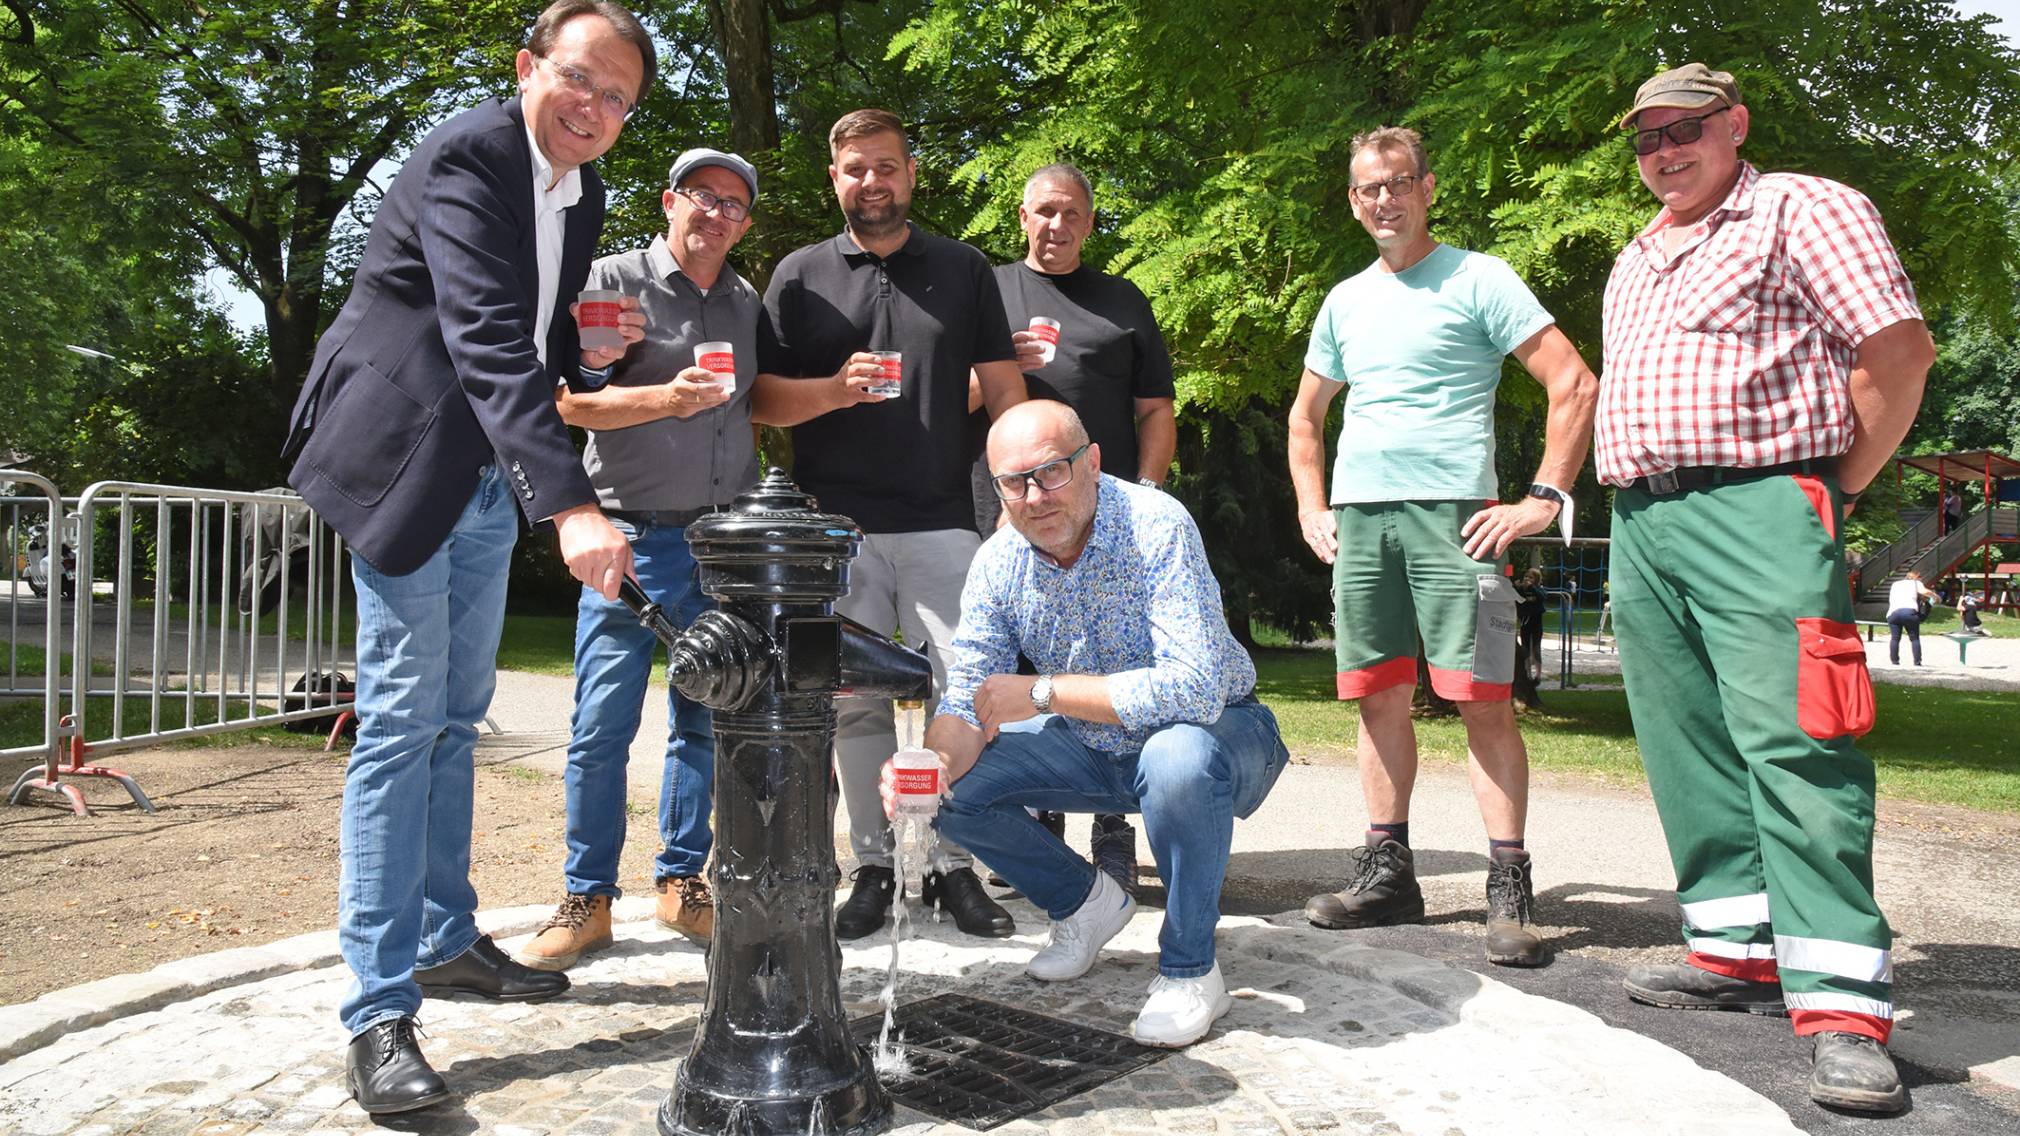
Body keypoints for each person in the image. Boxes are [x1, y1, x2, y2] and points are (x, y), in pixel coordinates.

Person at [278, 0, 653, 1114]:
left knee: (457, 713)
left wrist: (588, 350)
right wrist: (572, 504)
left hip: (486, 471)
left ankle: (445, 940)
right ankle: (377, 1011)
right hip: (406, 457)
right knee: (401, 723)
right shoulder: (473, 153)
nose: (594, 108)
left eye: (618, 98)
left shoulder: (579, 190)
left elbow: (533, 336)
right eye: (579, 78)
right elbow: (481, 331)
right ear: (528, 65)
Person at [1599, 63, 1935, 1113]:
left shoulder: (1801, 206)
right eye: (1647, 136)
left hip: (1759, 505)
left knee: (1800, 745)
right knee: (1685, 745)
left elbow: (1899, 353)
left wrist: (1834, 486)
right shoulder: (1636, 253)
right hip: (1642, 519)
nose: (1664, 150)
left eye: (1685, 128)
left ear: (1735, 124)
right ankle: (1735, 949)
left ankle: (1843, 1007)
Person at [1285, 125, 1598, 967]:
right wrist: (1313, 506)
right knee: (1377, 697)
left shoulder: (1480, 278)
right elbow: (1305, 418)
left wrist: (1543, 498)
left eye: (1398, 183)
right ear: (1353, 201)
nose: (1384, 199)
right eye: (1368, 188)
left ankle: (1509, 889)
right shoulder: (1345, 300)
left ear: (1426, 189)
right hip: (1362, 520)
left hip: (1457, 517)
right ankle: (1388, 876)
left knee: (1482, 699)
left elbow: (1574, 382)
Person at [885, 400, 1288, 1047]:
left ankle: (1191, 970)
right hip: (1094, 746)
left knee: (1176, 760)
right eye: (1013, 482)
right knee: (949, 792)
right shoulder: (997, 562)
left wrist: (1044, 692)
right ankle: (1085, 904)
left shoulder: (1155, 524)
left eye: (1051, 472)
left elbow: (1196, 687)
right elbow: (967, 701)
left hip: (1222, 732)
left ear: (1093, 462)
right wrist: (929, 768)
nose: (1035, 496)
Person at [753, 108, 1028, 941]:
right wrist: (834, 391)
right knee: (854, 703)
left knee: (968, 693)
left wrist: (1014, 498)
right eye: (855, 170)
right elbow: (762, 401)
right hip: (836, 528)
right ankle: (874, 866)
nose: (871, 182)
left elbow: (1005, 390)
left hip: (945, 519)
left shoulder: (963, 268)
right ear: (834, 180)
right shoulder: (798, 276)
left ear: (911, 173)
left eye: (885, 166)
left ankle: (954, 863)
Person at [517, 148, 775, 971]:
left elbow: (759, 406)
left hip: (720, 545)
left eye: (734, 205)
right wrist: (665, 398)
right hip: (628, 537)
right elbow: (566, 401)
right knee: (602, 727)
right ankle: (587, 897)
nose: (718, 214)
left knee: (704, 719)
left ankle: (681, 881)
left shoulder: (745, 302)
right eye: (704, 195)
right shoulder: (609, 282)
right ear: (670, 201)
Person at [980, 162, 1179, 898]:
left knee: (1110, 665)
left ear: (1089, 222)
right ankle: (1031, 823)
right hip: (1014, 516)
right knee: (1016, 662)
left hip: (1108, 525)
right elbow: (946, 397)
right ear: (1022, 217)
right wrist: (1001, 367)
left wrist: (1147, 495)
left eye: (1070, 213)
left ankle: (1112, 827)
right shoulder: (989, 291)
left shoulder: (1122, 300)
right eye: (1043, 211)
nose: (1056, 225)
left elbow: (1155, 409)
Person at [1885, 570, 1935, 667]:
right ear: (1916, 577)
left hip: (1893, 613)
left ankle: (1894, 661)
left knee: (1895, 638)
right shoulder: (1915, 583)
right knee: (1914, 638)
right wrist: (1935, 596)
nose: (1921, 579)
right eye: (1920, 577)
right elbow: (1925, 592)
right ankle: (1917, 661)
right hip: (1909, 612)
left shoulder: (1895, 584)